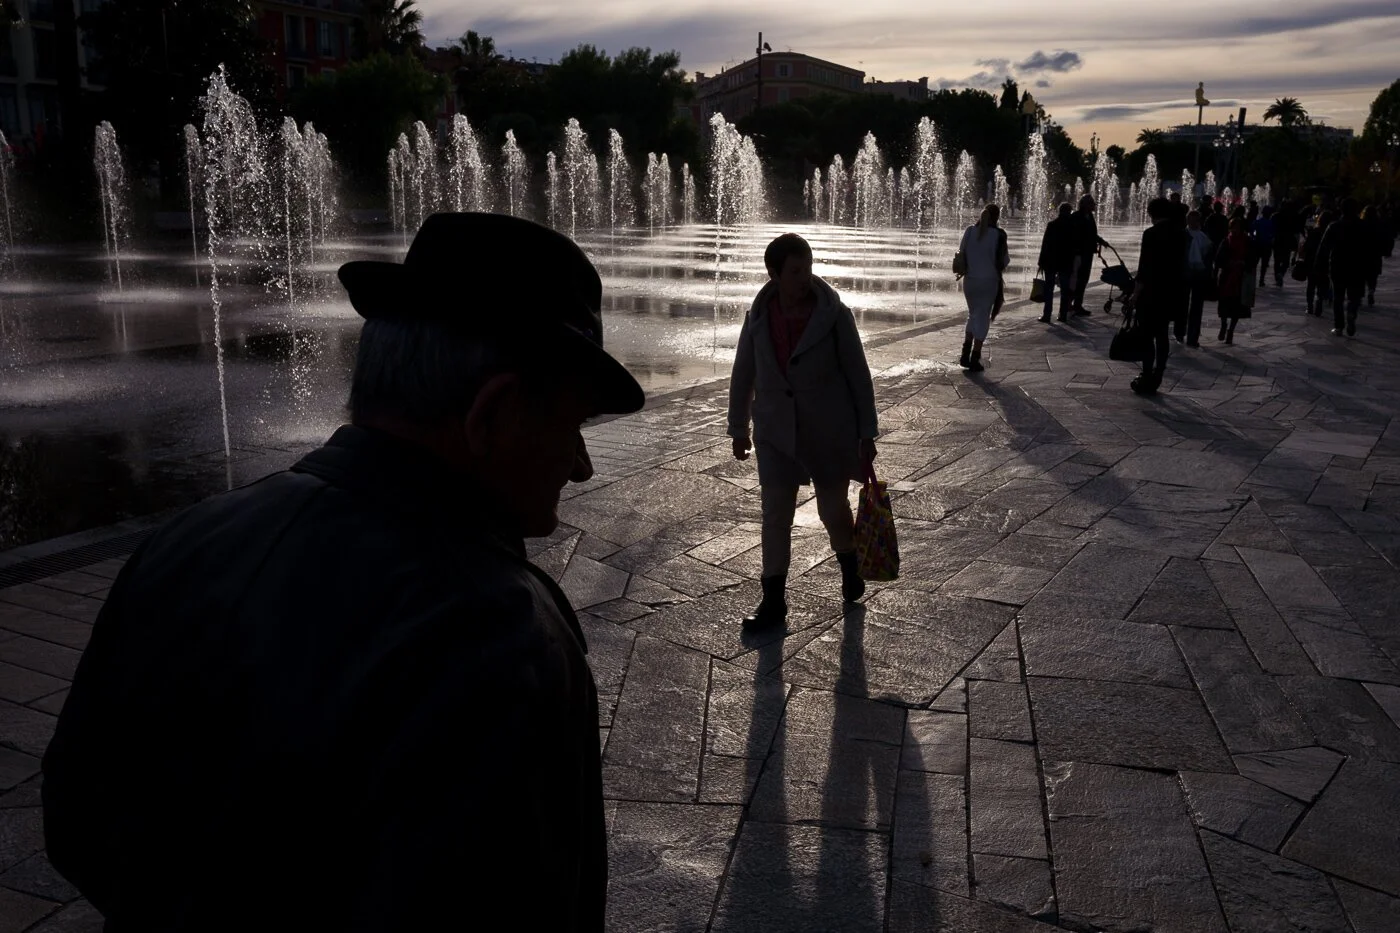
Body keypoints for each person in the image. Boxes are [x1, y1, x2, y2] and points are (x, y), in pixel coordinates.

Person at [42, 213, 643, 932]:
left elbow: (75, 823)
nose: (581, 464)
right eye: (572, 426)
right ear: (496, 414)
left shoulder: (186, 542)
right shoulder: (503, 636)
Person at [727, 233, 878, 629]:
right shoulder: (759, 316)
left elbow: (859, 377)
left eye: (808, 268)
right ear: (774, 274)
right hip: (775, 430)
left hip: (826, 428)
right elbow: (744, 372)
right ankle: (773, 603)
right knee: (775, 515)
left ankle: (849, 564)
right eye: (795, 271)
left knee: (832, 511)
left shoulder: (833, 315)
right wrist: (738, 428)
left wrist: (867, 433)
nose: (804, 278)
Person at [1130, 197, 1189, 395]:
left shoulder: (1151, 234)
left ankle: (1147, 374)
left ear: (1152, 213)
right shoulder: (1181, 235)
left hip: (1151, 292)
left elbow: (1144, 267)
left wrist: (1135, 294)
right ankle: (1159, 372)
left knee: (1147, 335)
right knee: (1162, 334)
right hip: (1172, 292)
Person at [958, 203, 1010, 370]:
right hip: (989, 281)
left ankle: (965, 353)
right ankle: (975, 357)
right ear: (997, 217)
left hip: (970, 281)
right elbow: (1004, 261)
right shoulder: (999, 235)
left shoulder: (970, 231)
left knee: (973, 314)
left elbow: (961, 252)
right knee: (983, 316)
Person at [1319, 198, 1369, 336]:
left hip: (1338, 265)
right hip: (1357, 266)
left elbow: (1324, 247)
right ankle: (1352, 312)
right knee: (1354, 296)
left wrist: (1320, 264)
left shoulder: (1334, 226)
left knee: (1338, 297)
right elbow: (1370, 247)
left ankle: (1339, 326)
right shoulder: (1363, 226)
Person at [1037, 202, 1077, 323]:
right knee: (1064, 289)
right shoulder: (1072, 226)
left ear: (1059, 211)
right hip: (1065, 262)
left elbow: (1045, 245)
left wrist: (1041, 262)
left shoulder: (1052, 225)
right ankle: (1063, 314)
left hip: (1050, 262)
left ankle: (1047, 315)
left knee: (1049, 288)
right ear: (1069, 212)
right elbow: (1074, 246)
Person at [1216, 215, 1253, 344]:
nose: (1235, 230)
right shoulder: (1226, 241)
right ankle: (1224, 325)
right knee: (1225, 305)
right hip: (1227, 277)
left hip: (1240, 278)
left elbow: (1253, 258)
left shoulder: (1247, 241)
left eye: (1237, 227)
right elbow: (1219, 258)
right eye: (1233, 227)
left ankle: (1231, 330)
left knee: (1237, 307)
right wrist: (1229, 263)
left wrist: (1244, 264)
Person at [1070, 195, 1108, 314]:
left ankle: (1077, 304)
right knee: (1076, 280)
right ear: (1085, 205)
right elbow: (1074, 236)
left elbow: (1091, 234)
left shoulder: (1089, 216)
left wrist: (1101, 241)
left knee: (1083, 279)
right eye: (1092, 203)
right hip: (1078, 254)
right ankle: (1069, 304)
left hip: (1087, 253)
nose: (1094, 206)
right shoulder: (1076, 217)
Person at [1180, 209, 1213, 347]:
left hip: (1199, 275)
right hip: (1184, 274)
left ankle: (1193, 336)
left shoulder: (1204, 237)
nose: (1193, 222)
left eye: (1195, 220)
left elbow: (1209, 257)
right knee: (1182, 304)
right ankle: (1180, 331)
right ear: (1187, 221)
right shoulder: (1181, 236)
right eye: (1190, 220)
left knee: (1197, 306)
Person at [1361, 204, 1384, 306]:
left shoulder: (1361, 224)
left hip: (1362, 254)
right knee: (1373, 276)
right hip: (1375, 254)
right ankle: (1371, 291)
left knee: (1361, 276)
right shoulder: (1379, 224)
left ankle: (1360, 295)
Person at [1251, 204, 1277, 286]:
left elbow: (1251, 231)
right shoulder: (1271, 223)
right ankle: (1261, 280)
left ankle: (1252, 279)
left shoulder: (1257, 222)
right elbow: (1273, 234)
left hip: (1257, 244)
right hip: (1267, 245)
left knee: (1254, 263)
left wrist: (1254, 237)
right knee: (1264, 264)